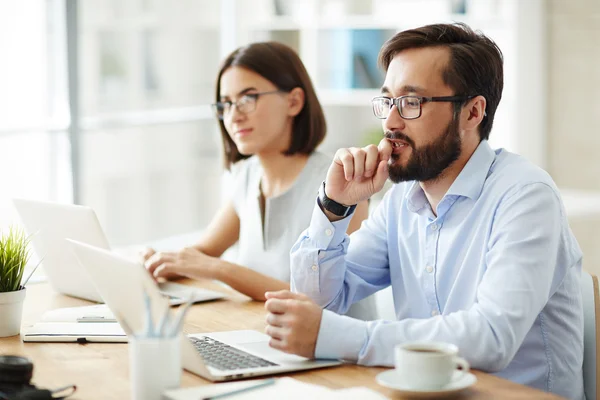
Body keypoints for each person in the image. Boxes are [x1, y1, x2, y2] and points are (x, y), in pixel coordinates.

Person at [263, 23, 584, 399]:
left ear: (472, 112)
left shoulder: (526, 196)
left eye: (411, 103)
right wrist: (335, 207)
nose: (390, 123)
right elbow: (318, 301)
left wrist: (336, 335)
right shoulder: (401, 200)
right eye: (388, 102)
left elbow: (492, 338)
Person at [142, 42, 375, 319]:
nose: (234, 115)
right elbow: (205, 251)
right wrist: (161, 262)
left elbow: (321, 300)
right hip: (269, 336)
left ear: (294, 102)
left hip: (340, 352)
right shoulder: (247, 176)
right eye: (226, 103)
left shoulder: (343, 184)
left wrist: (220, 269)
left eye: (248, 98)